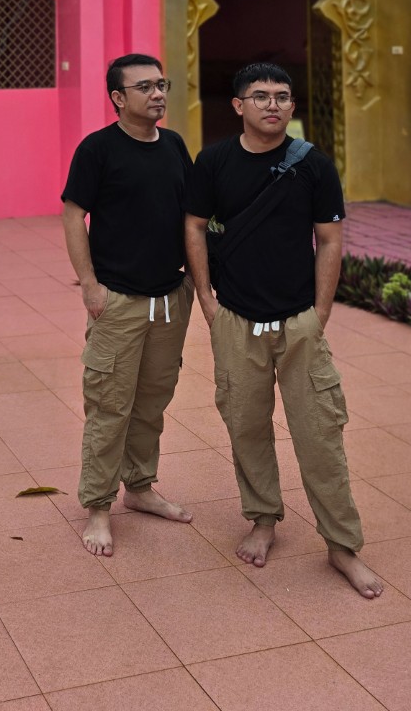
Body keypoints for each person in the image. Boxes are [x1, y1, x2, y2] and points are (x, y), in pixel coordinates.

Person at [185, 61, 383, 598]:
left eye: (282, 96)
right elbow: (195, 227)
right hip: (236, 320)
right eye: (260, 95)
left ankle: (342, 545)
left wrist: (320, 313)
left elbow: (330, 240)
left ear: (292, 106)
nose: (272, 104)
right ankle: (263, 519)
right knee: (246, 427)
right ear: (238, 105)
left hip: (299, 323)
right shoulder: (214, 162)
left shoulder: (313, 165)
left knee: (320, 435)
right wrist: (207, 299)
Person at [62, 54, 195, 557]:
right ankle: (98, 506)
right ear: (118, 98)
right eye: (145, 87)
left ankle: (139, 488)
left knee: (152, 401)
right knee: (109, 407)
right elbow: (73, 216)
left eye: (162, 84)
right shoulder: (97, 149)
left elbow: (192, 216)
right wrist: (90, 286)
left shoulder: (174, 145)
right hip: (118, 301)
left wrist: (196, 283)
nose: (158, 94)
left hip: (169, 299)